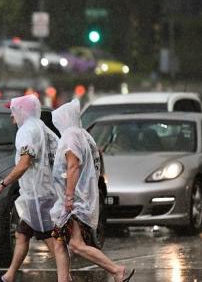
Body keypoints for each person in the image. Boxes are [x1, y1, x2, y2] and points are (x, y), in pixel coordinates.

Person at [49, 99, 135, 282]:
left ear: (64, 119)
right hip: (79, 198)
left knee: (76, 245)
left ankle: (116, 270)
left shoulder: (71, 136)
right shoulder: (83, 135)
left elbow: (73, 166)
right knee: (59, 242)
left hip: (74, 201)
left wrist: (69, 197)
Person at [0, 94, 59, 282]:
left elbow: (25, 163)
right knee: (22, 234)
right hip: (44, 190)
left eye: (13, 111)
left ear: (23, 111)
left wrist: (2, 184)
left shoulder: (26, 131)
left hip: (37, 194)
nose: (11, 116)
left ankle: (66, 277)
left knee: (51, 238)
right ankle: (8, 277)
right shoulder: (42, 128)